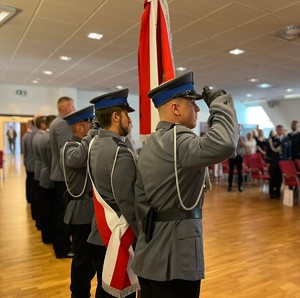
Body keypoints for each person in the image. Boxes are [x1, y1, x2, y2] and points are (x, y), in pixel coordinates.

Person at [132, 72, 238, 298]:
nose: (198, 109)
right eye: (192, 103)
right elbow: (225, 144)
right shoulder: (179, 141)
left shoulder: (149, 144)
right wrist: (220, 104)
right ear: (176, 109)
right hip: (176, 258)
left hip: (149, 249)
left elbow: (139, 198)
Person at [88, 89, 139, 297]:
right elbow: (128, 202)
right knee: (119, 291)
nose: (129, 120)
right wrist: (142, 233)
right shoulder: (120, 152)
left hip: (100, 230)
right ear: (116, 116)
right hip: (118, 235)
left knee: (104, 287)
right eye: (127, 114)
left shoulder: (93, 143)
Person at [61, 106, 97, 298]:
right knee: (82, 262)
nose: (92, 126)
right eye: (89, 123)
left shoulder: (83, 145)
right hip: (80, 212)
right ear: (80, 128)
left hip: (89, 211)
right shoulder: (70, 147)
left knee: (90, 261)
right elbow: (77, 160)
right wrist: (92, 136)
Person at [49, 96, 76, 258]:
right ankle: (63, 248)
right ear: (66, 109)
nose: (74, 109)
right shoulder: (64, 124)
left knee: (60, 212)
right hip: (62, 177)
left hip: (58, 175)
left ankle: (61, 245)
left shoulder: (55, 123)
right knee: (63, 214)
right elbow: (67, 154)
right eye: (72, 107)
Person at [38, 115, 56, 244]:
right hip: (49, 175)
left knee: (46, 208)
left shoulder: (41, 136)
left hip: (44, 173)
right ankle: (48, 237)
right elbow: (51, 161)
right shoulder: (49, 138)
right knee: (49, 210)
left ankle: (47, 235)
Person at [266, 125, 291, 199]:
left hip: (283, 162)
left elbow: (288, 151)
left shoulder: (286, 139)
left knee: (280, 178)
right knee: (273, 177)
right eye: (278, 129)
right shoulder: (272, 139)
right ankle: (271, 193)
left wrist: (288, 161)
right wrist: (268, 161)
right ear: (276, 130)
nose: (279, 130)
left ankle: (277, 192)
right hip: (274, 161)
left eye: (281, 129)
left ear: (283, 130)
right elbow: (268, 152)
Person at [228, 125, 246, 192]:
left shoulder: (242, 137)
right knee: (231, 172)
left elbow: (244, 145)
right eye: (237, 128)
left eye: (239, 128)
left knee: (239, 172)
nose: (238, 129)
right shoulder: (231, 137)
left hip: (239, 156)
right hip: (232, 156)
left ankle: (240, 186)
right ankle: (229, 186)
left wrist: (240, 138)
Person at [22, 119, 34, 204]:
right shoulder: (29, 136)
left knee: (28, 180)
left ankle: (28, 198)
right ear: (30, 126)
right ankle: (30, 198)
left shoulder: (25, 135)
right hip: (31, 163)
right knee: (30, 181)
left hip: (27, 162)